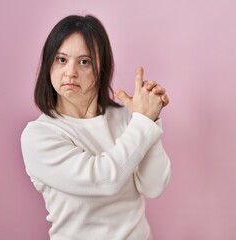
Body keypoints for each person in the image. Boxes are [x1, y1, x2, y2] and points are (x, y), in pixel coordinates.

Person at [21, 14, 171, 240]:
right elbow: (103, 179)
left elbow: (154, 186)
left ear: (101, 69)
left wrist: (148, 118)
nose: (70, 72)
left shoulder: (126, 117)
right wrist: (142, 121)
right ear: (49, 65)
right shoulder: (39, 135)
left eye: (84, 61)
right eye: (61, 59)